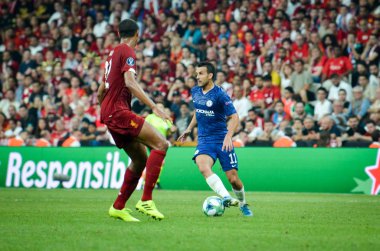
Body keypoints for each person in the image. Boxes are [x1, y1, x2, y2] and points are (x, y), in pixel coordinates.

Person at [97, 19, 171, 222]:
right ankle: (146, 200)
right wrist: (154, 106)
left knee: (140, 159)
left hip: (109, 113)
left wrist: (104, 109)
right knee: (161, 144)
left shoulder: (112, 54)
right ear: (137, 34)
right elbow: (130, 82)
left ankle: (118, 207)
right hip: (118, 112)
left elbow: (101, 89)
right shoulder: (128, 51)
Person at [178, 61, 253, 217]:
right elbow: (198, 112)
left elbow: (234, 117)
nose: (197, 76)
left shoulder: (220, 94)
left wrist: (228, 136)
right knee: (203, 167)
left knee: (233, 179)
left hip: (222, 140)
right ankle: (226, 197)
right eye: (197, 73)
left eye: (201, 73)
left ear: (210, 75)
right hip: (205, 140)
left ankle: (243, 204)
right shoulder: (195, 91)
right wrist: (189, 128)